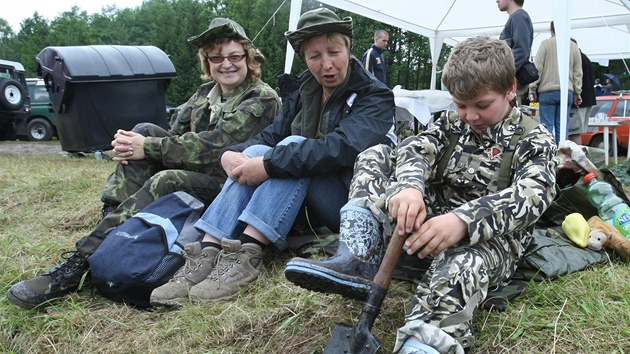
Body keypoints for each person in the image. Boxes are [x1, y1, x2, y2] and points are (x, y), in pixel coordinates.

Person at [285, 36, 557, 353]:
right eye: (460, 105)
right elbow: (416, 148)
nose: (470, 116)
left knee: (462, 265)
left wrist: (462, 222)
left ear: (510, 88)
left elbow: (532, 196)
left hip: (486, 242)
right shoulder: (452, 123)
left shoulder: (534, 138)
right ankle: (357, 257)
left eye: (482, 105)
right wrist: (410, 188)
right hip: (423, 226)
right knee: (377, 155)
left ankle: (423, 341)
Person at [6, 18, 281, 309]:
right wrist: (136, 144)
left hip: (231, 188)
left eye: (234, 56)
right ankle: (109, 231)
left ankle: (79, 264)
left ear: (247, 58)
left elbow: (215, 147)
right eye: (217, 57)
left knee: (164, 172)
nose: (226, 64)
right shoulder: (203, 95)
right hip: (195, 175)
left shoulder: (261, 98)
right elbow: (174, 135)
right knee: (143, 129)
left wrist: (146, 148)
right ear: (207, 61)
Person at [148, 7, 396, 307]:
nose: (326, 64)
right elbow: (269, 138)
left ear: (349, 49)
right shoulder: (303, 90)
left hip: (346, 203)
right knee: (256, 151)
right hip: (298, 201)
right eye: (314, 56)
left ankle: (249, 253)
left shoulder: (374, 95)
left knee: (292, 147)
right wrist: (234, 155)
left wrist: (268, 165)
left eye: (334, 52)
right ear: (304, 58)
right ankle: (208, 251)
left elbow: (340, 148)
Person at [529, 21, 582, 144]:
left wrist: (532, 88)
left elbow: (538, 69)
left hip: (547, 91)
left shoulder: (545, 44)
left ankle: (548, 155)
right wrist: (577, 93)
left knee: (547, 127)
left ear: (551, 30)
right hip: (567, 91)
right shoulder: (573, 46)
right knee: (563, 128)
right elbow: (578, 72)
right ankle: (562, 156)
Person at [498, 0, 533, 94]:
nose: (497, 1)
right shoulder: (517, 17)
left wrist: (503, 73)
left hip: (513, 81)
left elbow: (521, 50)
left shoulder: (519, 17)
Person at [569, 38, 596, 145]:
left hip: (580, 101)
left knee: (574, 132)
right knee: (578, 131)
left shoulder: (577, 59)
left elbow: (577, 79)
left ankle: (576, 158)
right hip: (588, 100)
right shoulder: (586, 58)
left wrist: (577, 95)